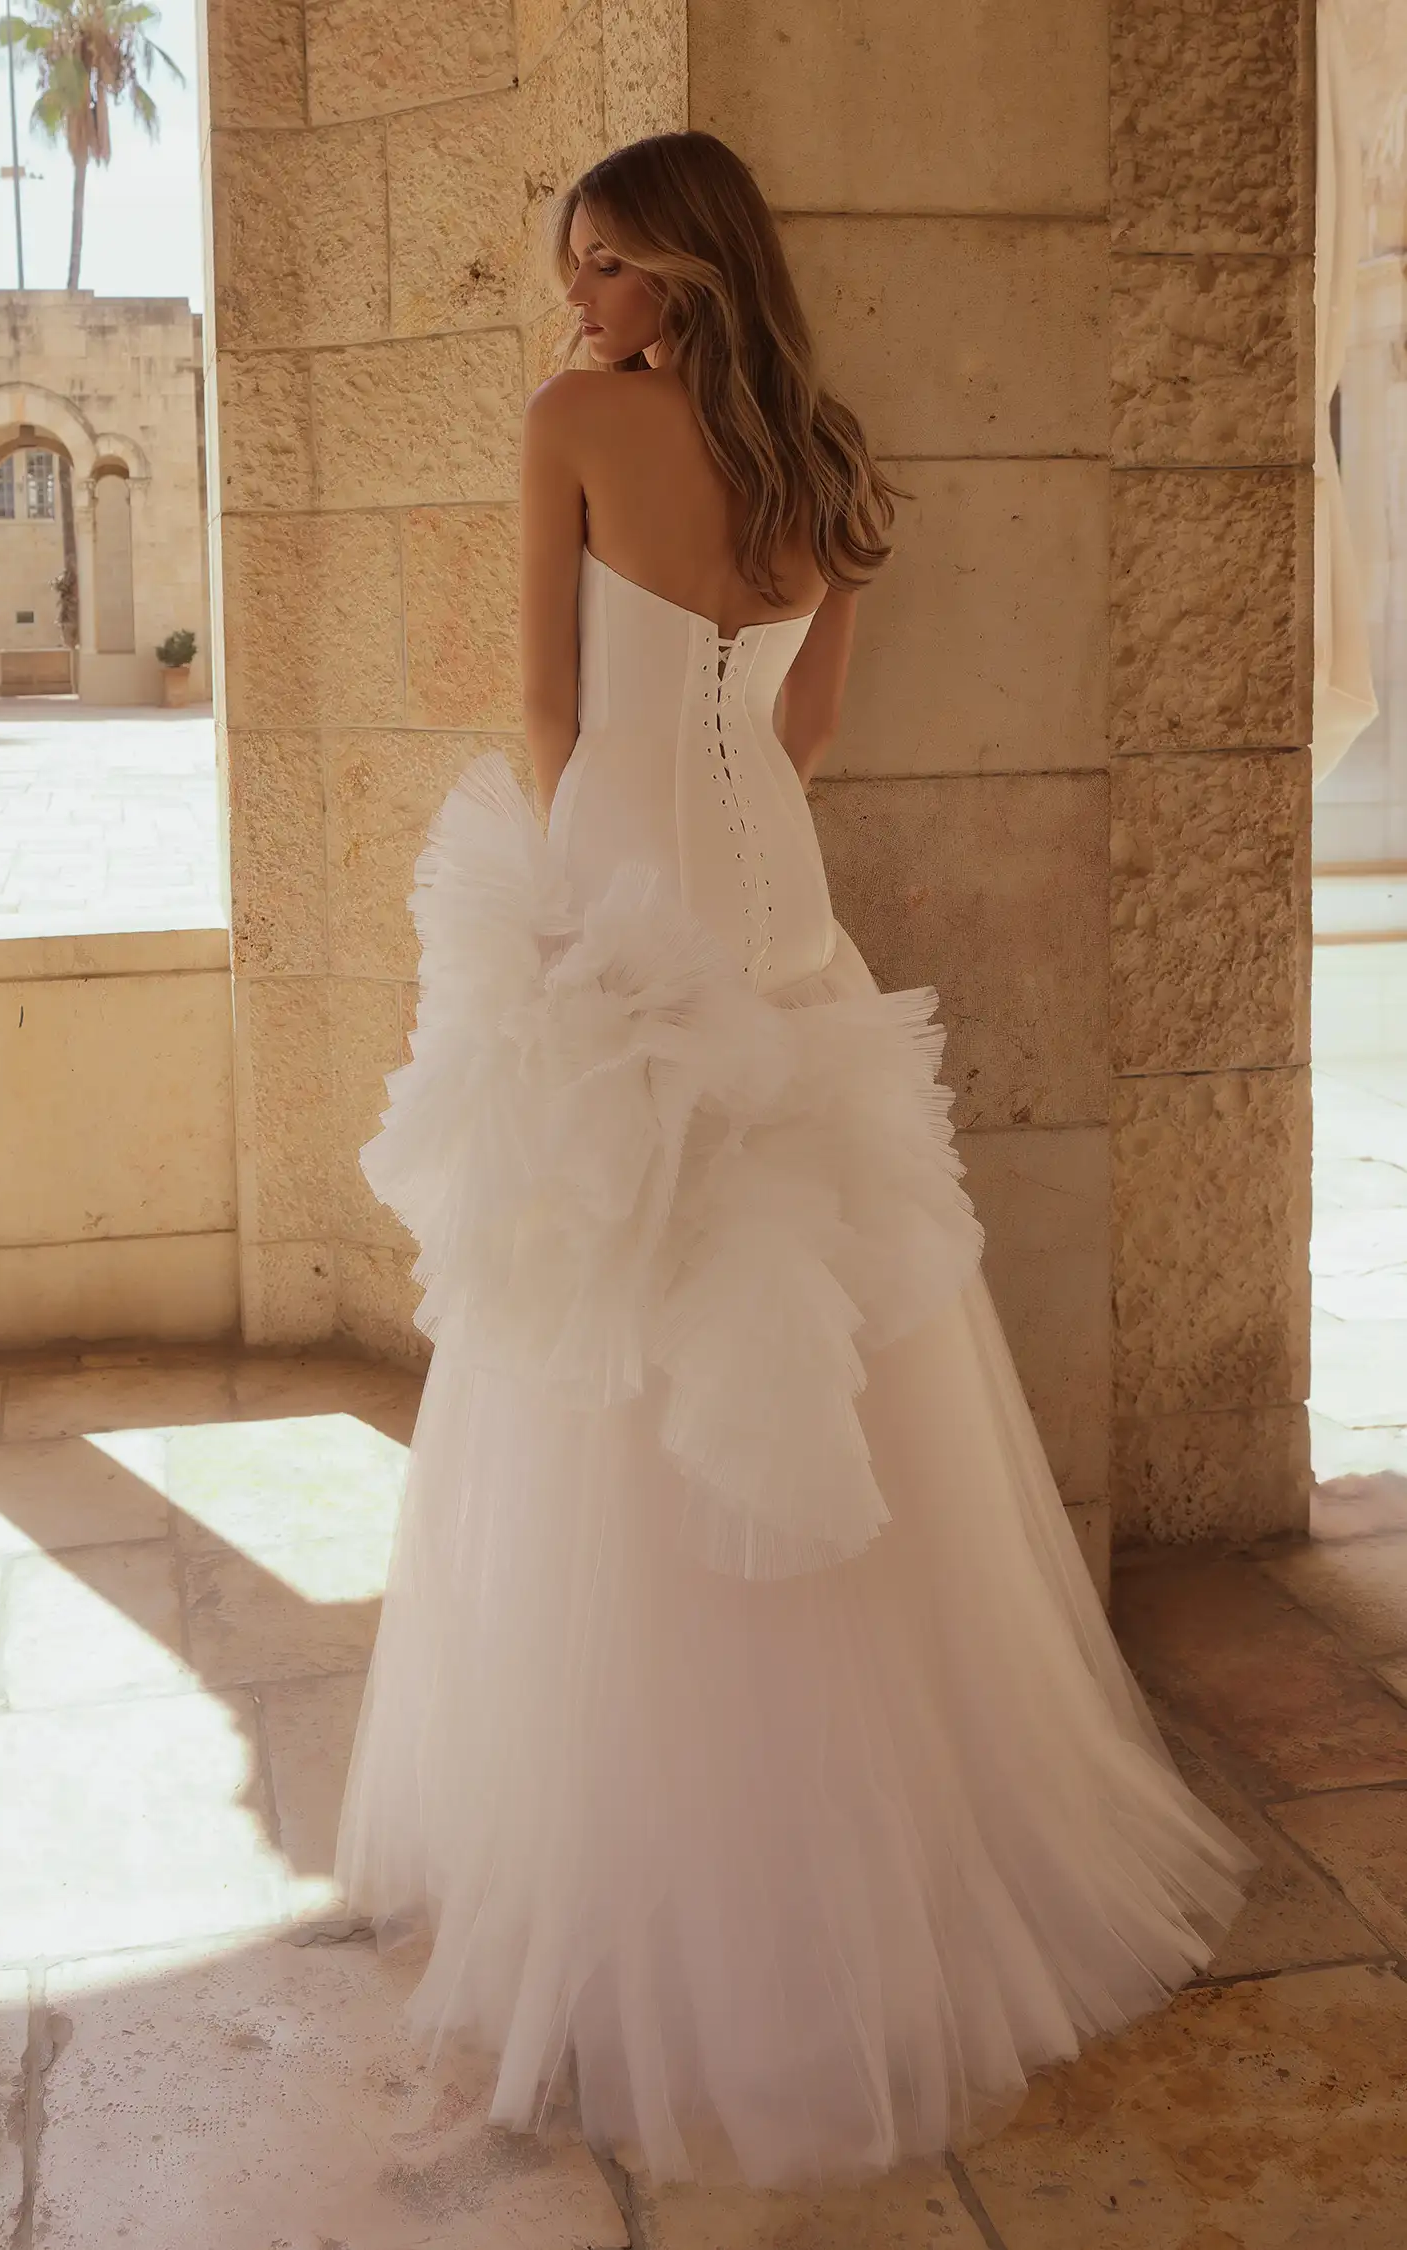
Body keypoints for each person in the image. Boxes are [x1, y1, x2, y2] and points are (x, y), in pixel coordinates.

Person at [334, 129, 1251, 2192]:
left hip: (633, 934)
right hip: (788, 933)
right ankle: (841, 1871)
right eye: (575, 274)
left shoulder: (572, 425)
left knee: (606, 1377)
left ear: (677, 269)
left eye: (600, 266)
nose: (574, 303)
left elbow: (553, 721)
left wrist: (571, 959)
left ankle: (641, 1893)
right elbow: (801, 742)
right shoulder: (820, 452)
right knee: (848, 1378)